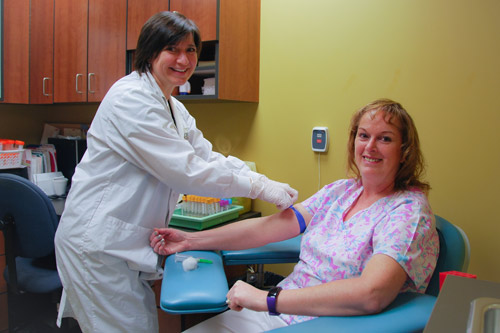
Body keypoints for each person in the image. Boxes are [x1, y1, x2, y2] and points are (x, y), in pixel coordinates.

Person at [54, 11, 297, 333]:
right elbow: (186, 172)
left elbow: (206, 156)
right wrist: (256, 187)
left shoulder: (173, 106)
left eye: (191, 50)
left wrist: (261, 179)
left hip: (122, 242)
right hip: (99, 243)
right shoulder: (131, 99)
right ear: (150, 52)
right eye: (173, 49)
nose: (184, 59)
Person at [150, 98, 440, 332]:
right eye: (364, 136)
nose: (370, 147)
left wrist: (267, 299)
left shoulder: (408, 212)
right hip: (282, 312)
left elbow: (372, 293)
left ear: (404, 151)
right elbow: (267, 228)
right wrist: (190, 240)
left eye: (385, 139)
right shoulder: (340, 192)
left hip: (332, 323)